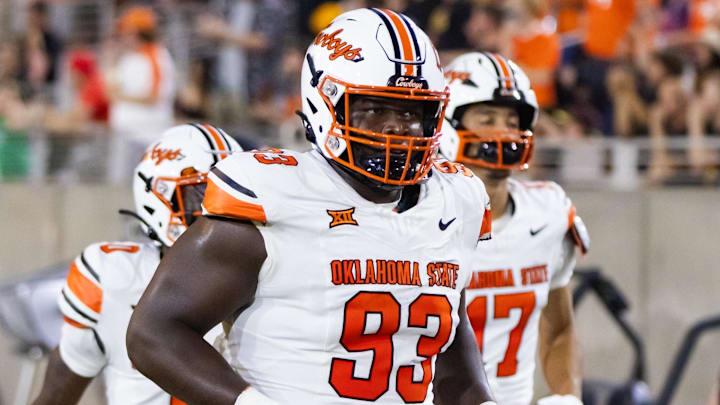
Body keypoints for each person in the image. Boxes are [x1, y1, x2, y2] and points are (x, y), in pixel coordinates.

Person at [128, 8, 497, 405]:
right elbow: (154, 333)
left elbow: (450, 357)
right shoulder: (275, 196)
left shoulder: (454, 201)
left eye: (412, 111)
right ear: (326, 103)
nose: (398, 127)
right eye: (375, 108)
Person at [30, 124, 242, 405]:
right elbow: (55, 396)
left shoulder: (267, 275)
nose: (228, 206)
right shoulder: (113, 278)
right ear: (158, 198)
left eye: (237, 192)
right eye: (202, 194)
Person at [440, 52, 589, 405]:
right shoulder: (417, 217)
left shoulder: (548, 214)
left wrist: (566, 395)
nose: (504, 132)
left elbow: (559, 329)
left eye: (511, 120)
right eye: (487, 118)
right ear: (447, 123)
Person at [107, 6, 175, 183]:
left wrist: (122, 97)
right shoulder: (128, 58)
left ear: (136, 32)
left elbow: (154, 97)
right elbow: (110, 91)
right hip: (124, 135)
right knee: (117, 187)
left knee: (148, 185)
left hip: (148, 137)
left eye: (125, 31)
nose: (121, 35)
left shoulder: (157, 56)